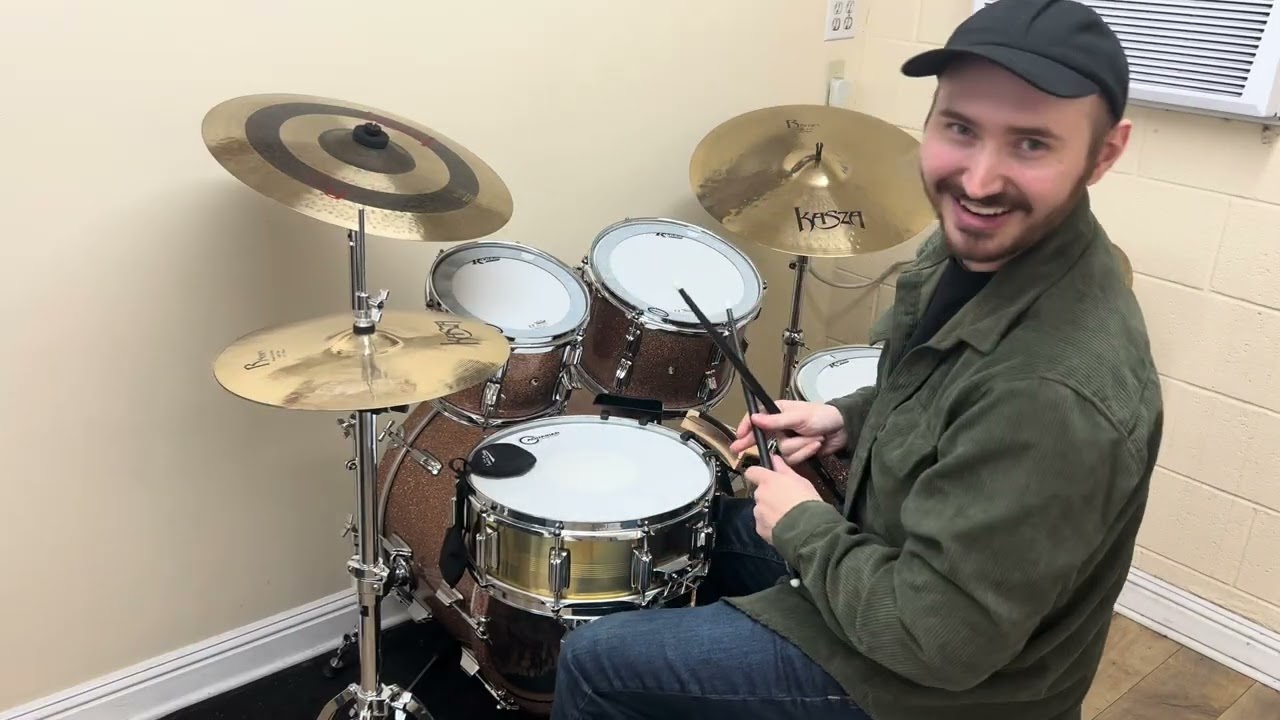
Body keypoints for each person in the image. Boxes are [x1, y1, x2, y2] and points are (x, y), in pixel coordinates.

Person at [549, 1, 1163, 718]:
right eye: (960, 129)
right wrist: (845, 419)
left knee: (595, 663)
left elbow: (941, 642)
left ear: (1105, 153)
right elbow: (948, 400)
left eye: (1032, 144)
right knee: (701, 533)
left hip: (938, 686)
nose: (979, 179)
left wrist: (805, 523)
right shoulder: (968, 248)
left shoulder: (1056, 392)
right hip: (891, 564)